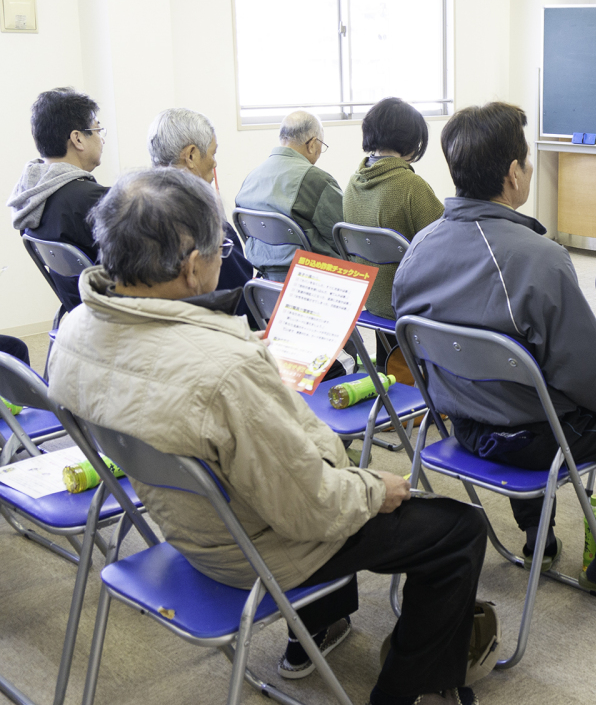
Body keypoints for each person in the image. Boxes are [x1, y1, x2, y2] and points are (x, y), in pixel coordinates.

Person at [48, 168, 488, 705]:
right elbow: (311, 509)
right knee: (459, 528)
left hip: (181, 527)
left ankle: (319, 628)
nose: (222, 257)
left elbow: (166, 376)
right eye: (219, 249)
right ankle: (402, 691)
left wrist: (248, 352)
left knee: (301, 454)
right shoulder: (227, 374)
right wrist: (378, 488)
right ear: (192, 269)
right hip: (254, 550)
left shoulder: (72, 332)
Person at [393, 102, 596, 601]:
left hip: (462, 425)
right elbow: (586, 376)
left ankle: (540, 533)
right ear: (514, 174)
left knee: (518, 381)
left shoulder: (418, 248)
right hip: (534, 437)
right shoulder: (541, 259)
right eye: (529, 161)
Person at [343, 97, 444, 320]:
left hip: (370, 299)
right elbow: (448, 242)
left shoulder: (353, 183)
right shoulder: (410, 186)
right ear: (410, 142)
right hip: (407, 303)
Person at [147, 107, 254, 315]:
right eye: (213, 153)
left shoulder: (131, 206)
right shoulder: (205, 223)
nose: (214, 162)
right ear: (191, 155)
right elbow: (242, 298)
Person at [8, 88, 108, 311]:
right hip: (111, 319)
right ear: (78, 138)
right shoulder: (94, 199)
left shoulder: (30, 197)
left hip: (77, 313)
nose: (102, 138)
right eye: (98, 129)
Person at [235, 110, 343, 279]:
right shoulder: (314, 179)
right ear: (313, 143)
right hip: (314, 283)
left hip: (266, 285)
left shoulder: (251, 178)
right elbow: (344, 237)